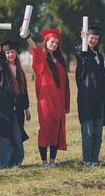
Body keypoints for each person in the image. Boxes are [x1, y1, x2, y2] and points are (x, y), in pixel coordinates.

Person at [24, 27, 70, 168]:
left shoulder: (60, 62)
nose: (54, 45)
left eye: (56, 43)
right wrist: (28, 37)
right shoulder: (42, 57)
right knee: (45, 128)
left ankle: (52, 161)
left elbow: (65, 85)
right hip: (46, 100)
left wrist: (66, 104)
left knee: (57, 128)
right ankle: (44, 161)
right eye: (52, 42)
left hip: (59, 101)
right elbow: (35, 50)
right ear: (46, 42)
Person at [0, 28, 31, 169]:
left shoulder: (19, 69)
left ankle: (16, 162)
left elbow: (24, 91)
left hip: (18, 108)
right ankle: (4, 163)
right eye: (7, 52)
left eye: (12, 51)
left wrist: (27, 109)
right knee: (4, 136)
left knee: (17, 135)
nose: (10, 54)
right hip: (4, 107)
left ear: (16, 53)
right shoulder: (2, 67)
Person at [75, 25, 105, 167]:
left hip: (100, 98)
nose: (94, 40)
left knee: (98, 132)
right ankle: (86, 160)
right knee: (88, 132)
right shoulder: (81, 53)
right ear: (86, 38)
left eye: (96, 38)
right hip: (86, 98)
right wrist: (83, 39)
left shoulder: (99, 56)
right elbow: (81, 50)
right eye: (91, 38)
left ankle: (94, 160)